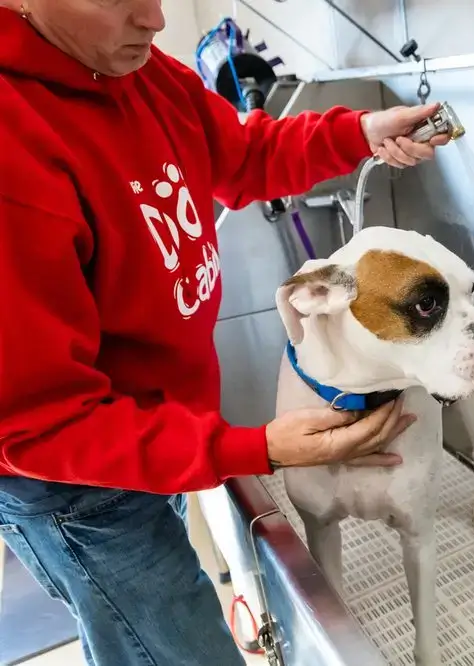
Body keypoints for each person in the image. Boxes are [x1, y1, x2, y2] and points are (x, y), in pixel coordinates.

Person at [0, 1, 450, 664]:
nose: (154, 19)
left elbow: (244, 154)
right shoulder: (15, 147)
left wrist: (358, 132)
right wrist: (254, 447)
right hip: (76, 494)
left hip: (149, 435)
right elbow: (39, 423)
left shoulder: (142, 74)